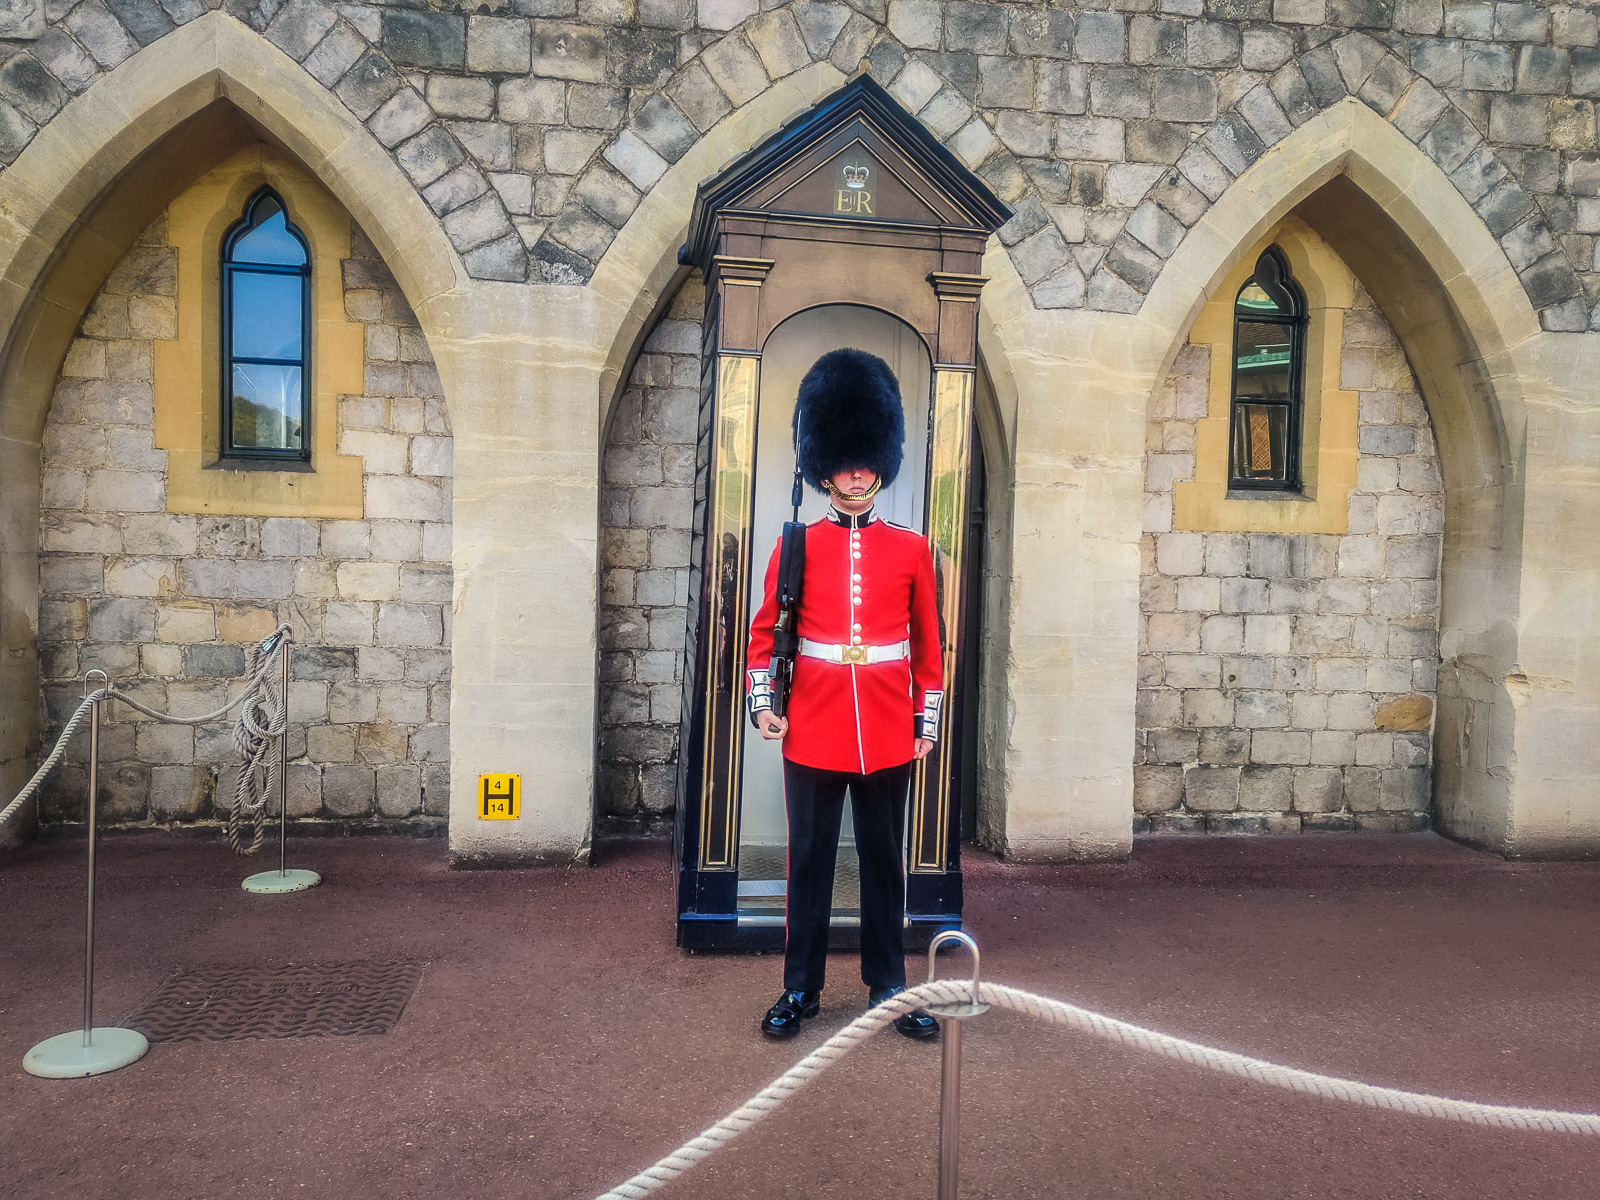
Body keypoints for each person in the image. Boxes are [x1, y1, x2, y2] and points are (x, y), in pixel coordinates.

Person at [746, 347, 944, 1041]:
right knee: (810, 866)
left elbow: (927, 644)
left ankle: (888, 988)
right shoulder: (795, 545)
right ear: (822, 464)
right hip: (815, 726)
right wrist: (763, 702)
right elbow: (766, 628)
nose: (856, 473)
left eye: (866, 461)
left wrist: (928, 716)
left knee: (884, 866)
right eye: (844, 461)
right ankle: (799, 989)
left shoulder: (911, 547)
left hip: (889, 725)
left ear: (880, 462)